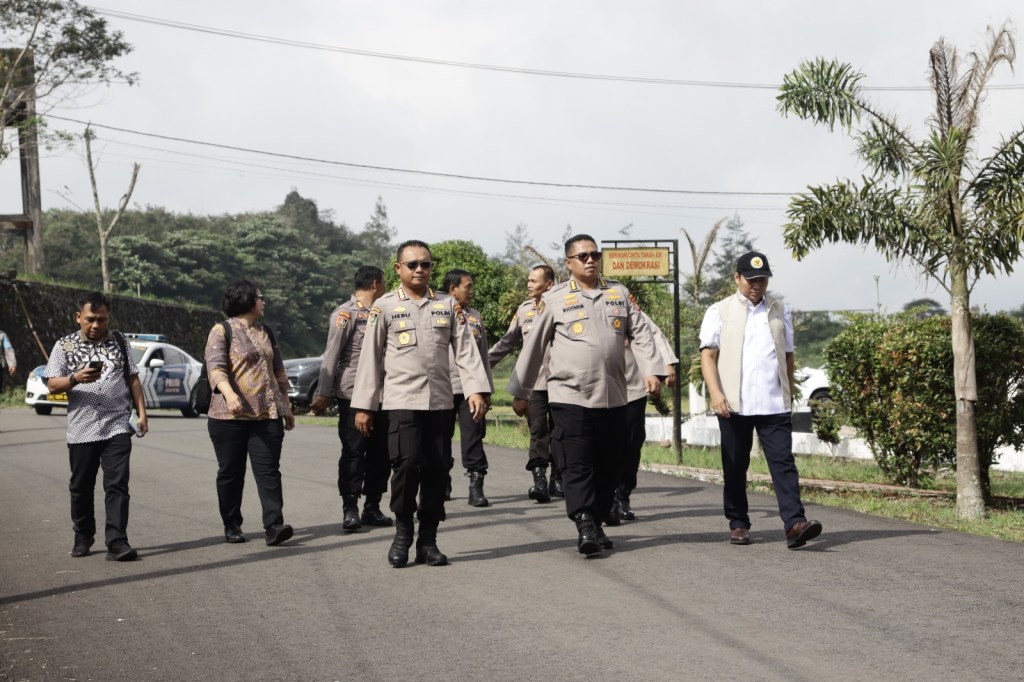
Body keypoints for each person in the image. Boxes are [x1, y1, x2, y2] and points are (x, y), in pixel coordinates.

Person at [508, 234, 663, 556]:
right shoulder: (554, 299)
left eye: (594, 254)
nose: (590, 260)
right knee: (577, 463)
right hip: (570, 394)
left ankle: (597, 516)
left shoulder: (618, 293)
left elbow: (642, 335)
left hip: (614, 395)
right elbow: (533, 348)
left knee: (609, 462)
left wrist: (652, 369)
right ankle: (584, 522)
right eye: (583, 256)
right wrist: (522, 391)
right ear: (569, 263)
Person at [352, 240, 492, 568]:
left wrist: (475, 389)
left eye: (425, 265)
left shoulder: (447, 305)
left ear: (432, 269)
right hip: (401, 401)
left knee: (437, 469)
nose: (419, 270)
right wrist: (364, 405)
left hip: (440, 402)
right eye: (412, 264)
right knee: (405, 464)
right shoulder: (384, 307)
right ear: (398, 269)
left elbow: (466, 351)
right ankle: (403, 532)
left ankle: (428, 540)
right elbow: (370, 359)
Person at [699, 251, 823, 549]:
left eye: (762, 279)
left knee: (783, 463)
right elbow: (708, 356)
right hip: (734, 405)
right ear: (737, 278)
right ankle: (738, 523)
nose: (757, 285)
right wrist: (716, 394)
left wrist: (787, 392)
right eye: (751, 279)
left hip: (773, 403)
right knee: (734, 466)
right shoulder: (719, 310)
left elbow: (788, 355)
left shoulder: (781, 309)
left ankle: (795, 523)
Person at [44, 291, 149, 561]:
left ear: (108, 317)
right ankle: (83, 535)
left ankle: (117, 541)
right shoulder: (64, 346)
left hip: (117, 425)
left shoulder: (120, 341)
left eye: (101, 319)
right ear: (78, 317)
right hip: (82, 428)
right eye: (90, 319)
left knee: (117, 485)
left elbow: (133, 378)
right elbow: (52, 384)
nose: (96, 325)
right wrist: (76, 378)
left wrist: (142, 413)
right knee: (81, 486)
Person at [205, 280, 296, 547]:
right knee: (231, 473)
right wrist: (230, 394)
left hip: (267, 415)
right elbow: (216, 368)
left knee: (269, 472)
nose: (264, 302)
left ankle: (274, 525)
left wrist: (286, 407)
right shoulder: (221, 331)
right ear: (246, 300)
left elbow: (278, 372)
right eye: (260, 297)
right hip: (229, 418)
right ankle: (232, 524)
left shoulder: (266, 331)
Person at [310, 266, 393, 531]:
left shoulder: (384, 312)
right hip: (352, 394)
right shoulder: (345, 314)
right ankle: (350, 507)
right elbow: (331, 355)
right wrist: (323, 392)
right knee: (354, 452)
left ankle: (373, 506)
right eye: (385, 283)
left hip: (383, 394)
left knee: (382, 453)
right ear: (376, 284)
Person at [488, 264, 563, 503]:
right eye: (528, 281)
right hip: (535, 383)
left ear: (549, 284)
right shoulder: (523, 311)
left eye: (534, 281)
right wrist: (482, 363)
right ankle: (539, 479)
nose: (529, 285)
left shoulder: (565, 305)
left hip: (564, 382)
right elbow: (507, 342)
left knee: (562, 433)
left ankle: (558, 479)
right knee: (538, 431)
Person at [613, 316, 678, 521]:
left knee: (632, 442)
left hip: (633, 386)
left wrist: (667, 363)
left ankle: (622, 495)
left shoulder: (621, 299)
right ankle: (604, 497)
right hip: (597, 388)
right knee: (604, 444)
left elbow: (652, 332)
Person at [443, 268, 495, 507]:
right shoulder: (437, 310)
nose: (472, 291)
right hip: (442, 388)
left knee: (473, 437)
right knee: (440, 439)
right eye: (468, 286)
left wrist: (486, 390)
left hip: (470, 389)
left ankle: (476, 487)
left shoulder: (475, 316)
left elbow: (483, 356)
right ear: (453, 289)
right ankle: (441, 481)